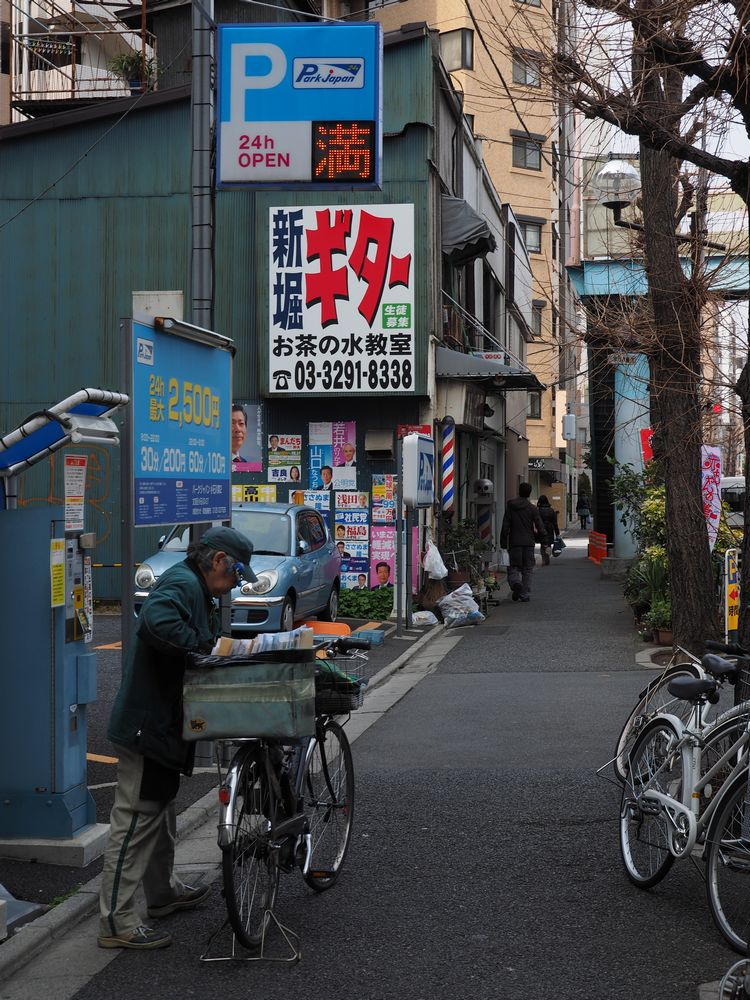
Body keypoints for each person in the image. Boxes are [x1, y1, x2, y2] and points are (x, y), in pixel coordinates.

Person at [98, 526, 255, 951]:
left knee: (159, 811)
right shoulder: (184, 584)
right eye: (236, 573)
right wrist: (203, 651)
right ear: (219, 560)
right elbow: (156, 621)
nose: (235, 584)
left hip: (162, 722)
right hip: (147, 724)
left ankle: (162, 893)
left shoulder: (192, 585)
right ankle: (117, 921)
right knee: (135, 819)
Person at [500, 482, 545, 603]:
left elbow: (505, 526)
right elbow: (540, 525)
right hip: (529, 543)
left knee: (513, 567)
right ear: (529, 493)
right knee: (528, 569)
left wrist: (503, 542)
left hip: (514, 543)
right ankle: (524, 594)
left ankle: (515, 583)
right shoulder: (532, 508)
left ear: (519, 491)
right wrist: (544, 540)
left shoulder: (511, 506)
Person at [536, 495, 560, 566]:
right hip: (550, 529)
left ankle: (544, 559)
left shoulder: (538, 511)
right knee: (548, 544)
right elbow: (555, 523)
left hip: (541, 528)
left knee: (542, 544)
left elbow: (535, 521)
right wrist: (557, 533)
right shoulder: (551, 510)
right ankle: (547, 558)